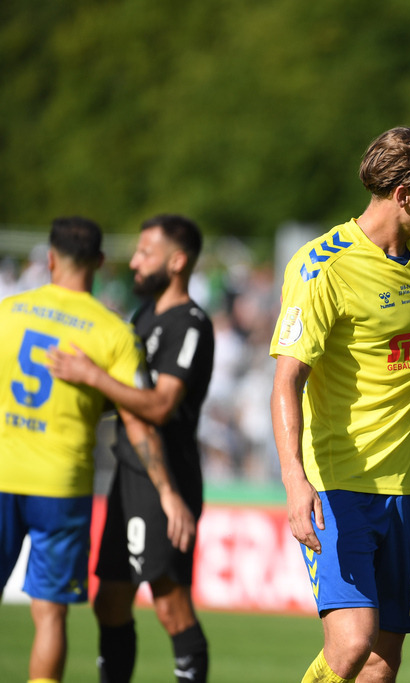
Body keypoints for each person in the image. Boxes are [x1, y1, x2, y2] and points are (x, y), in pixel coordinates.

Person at [269, 127, 410, 683]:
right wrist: (294, 480)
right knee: (352, 643)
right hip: (338, 486)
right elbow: (286, 381)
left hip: (406, 488)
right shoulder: (322, 266)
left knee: (382, 658)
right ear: (403, 195)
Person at [1, 216, 195, 683]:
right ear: (100, 262)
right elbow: (140, 420)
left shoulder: (8, 312)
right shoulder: (112, 332)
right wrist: (168, 491)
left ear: (50, 258)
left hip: (3, 475)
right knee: (50, 615)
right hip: (61, 487)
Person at [49, 214, 215, 683]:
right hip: (129, 471)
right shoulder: (143, 317)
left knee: (169, 604)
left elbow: (159, 405)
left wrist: (92, 375)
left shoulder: (190, 324)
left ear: (177, 262)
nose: (135, 262)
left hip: (167, 477)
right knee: (110, 601)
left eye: (145, 253)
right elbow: (122, 397)